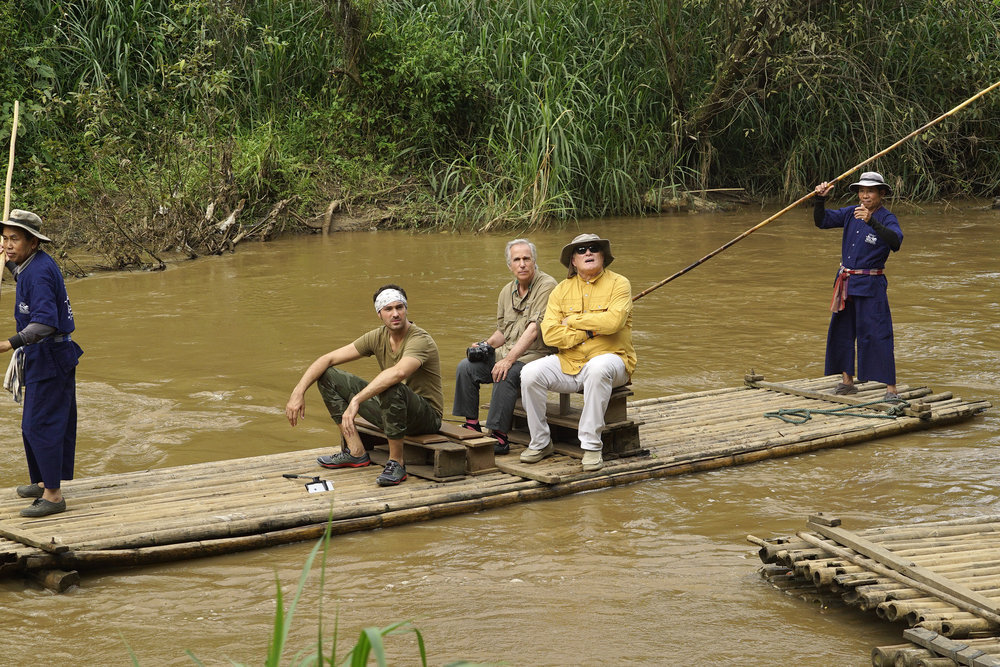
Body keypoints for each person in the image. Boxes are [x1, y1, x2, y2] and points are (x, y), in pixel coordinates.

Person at [285, 284, 442, 486]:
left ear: (406, 309)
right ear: (379, 314)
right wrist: (298, 391)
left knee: (390, 384)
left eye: (399, 307)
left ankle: (396, 462)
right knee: (326, 375)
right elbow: (327, 358)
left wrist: (356, 400)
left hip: (426, 418)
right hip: (392, 410)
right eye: (388, 309)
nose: (395, 314)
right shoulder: (377, 336)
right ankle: (356, 451)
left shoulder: (420, 339)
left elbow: (398, 373)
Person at [518, 233, 636, 472]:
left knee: (598, 367)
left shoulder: (619, 283)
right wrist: (588, 331)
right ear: (573, 261)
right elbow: (550, 334)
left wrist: (572, 320)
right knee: (529, 373)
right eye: (581, 251)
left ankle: (592, 446)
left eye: (594, 248)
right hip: (569, 361)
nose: (588, 253)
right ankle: (541, 442)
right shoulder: (561, 290)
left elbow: (613, 322)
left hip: (614, 361)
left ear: (603, 255)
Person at [0, 210, 83, 517]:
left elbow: (45, 323)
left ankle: (53, 495)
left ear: (33, 242)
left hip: (50, 356)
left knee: (41, 425)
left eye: (15, 239)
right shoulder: (29, 265)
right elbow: (21, 274)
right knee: (31, 426)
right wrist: (8, 261)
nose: (9, 245)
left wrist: (9, 343)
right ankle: (42, 481)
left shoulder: (39, 272)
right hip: (41, 357)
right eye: (5, 238)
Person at [451, 239, 557, 455]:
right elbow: (502, 331)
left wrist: (508, 359)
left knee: (505, 372)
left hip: (538, 354)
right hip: (509, 350)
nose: (522, 264)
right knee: (466, 366)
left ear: (534, 261)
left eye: (526, 259)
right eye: (516, 260)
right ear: (509, 265)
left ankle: (499, 435)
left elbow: (534, 329)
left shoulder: (547, 286)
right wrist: (485, 345)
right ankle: (471, 424)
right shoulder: (506, 291)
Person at [813, 171, 903, 401]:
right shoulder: (850, 213)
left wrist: (870, 220)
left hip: (871, 284)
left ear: (881, 193)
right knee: (842, 331)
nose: (864, 196)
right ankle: (847, 381)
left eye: (870, 191)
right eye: (862, 191)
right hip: (846, 282)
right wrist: (820, 199)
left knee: (878, 333)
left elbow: (896, 242)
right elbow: (821, 221)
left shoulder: (886, 218)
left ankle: (890, 389)